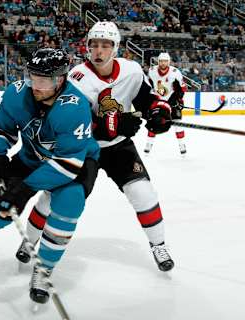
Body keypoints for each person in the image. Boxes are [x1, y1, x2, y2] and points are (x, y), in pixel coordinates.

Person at [0, 48, 100, 304]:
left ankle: (44, 269)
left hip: (74, 162)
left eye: (43, 80)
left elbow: (67, 164)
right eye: (33, 77)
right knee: (0, 206)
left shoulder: (75, 107)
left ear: (61, 80)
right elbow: (2, 126)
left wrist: (24, 190)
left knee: (69, 204)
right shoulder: (17, 92)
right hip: (32, 158)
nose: (36, 85)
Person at [15, 22, 175, 273]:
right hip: (83, 147)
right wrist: (112, 123)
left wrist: (159, 112)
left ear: (116, 48)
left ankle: (158, 245)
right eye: (94, 45)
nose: (99, 51)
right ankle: (29, 241)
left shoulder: (132, 71)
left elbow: (150, 99)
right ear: (87, 47)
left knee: (143, 193)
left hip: (118, 147)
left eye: (105, 45)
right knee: (53, 197)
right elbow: (69, 120)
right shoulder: (77, 78)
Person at [145, 52, 187, 155]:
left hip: (171, 100)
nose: (163, 63)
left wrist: (178, 100)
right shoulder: (152, 71)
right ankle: (149, 144)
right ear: (158, 61)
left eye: (165, 61)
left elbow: (182, 88)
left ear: (168, 62)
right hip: (158, 101)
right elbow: (148, 85)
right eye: (161, 61)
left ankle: (182, 144)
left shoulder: (175, 72)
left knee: (178, 123)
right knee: (153, 122)